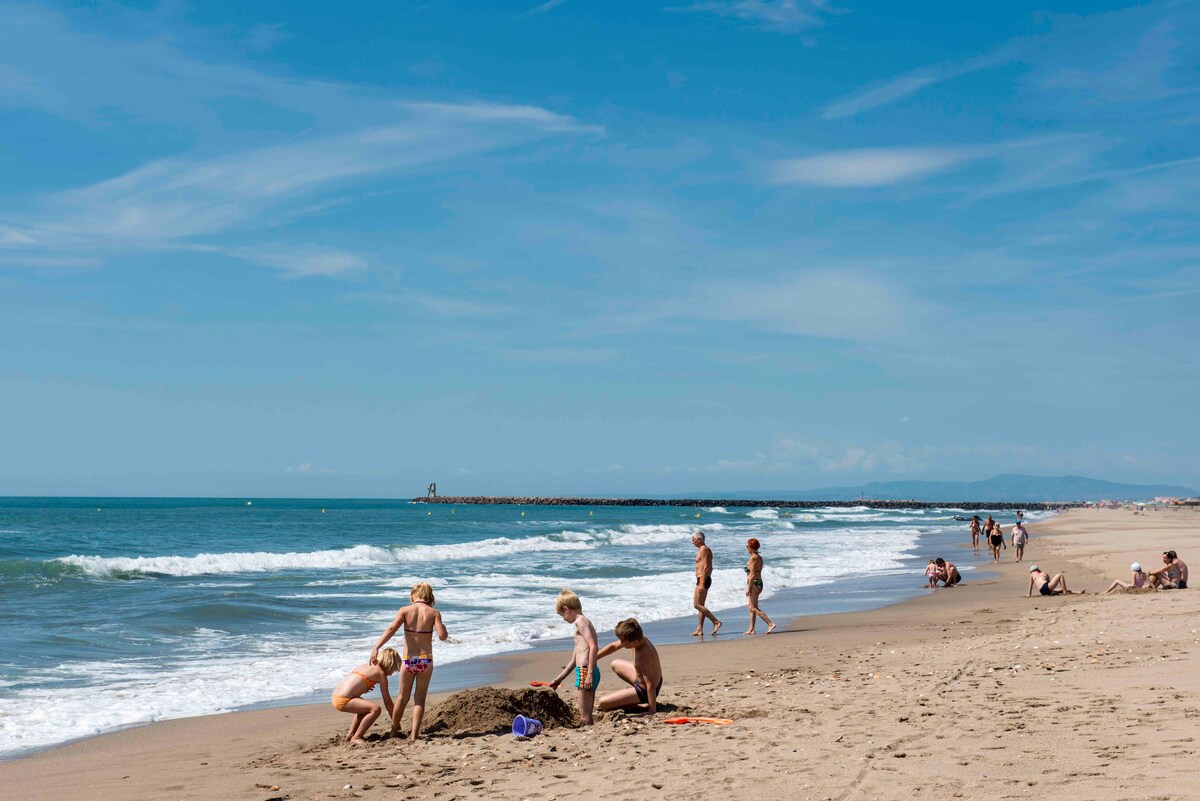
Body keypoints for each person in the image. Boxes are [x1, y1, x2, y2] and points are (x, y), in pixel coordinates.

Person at [370, 582, 449, 740]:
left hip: (408, 660)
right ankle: (414, 734)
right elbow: (442, 636)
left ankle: (393, 731)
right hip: (425, 660)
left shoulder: (405, 610)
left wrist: (376, 647)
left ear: (413, 595)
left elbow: (391, 629)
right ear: (429, 596)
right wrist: (443, 626)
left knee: (401, 697)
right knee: (419, 699)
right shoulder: (434, 613)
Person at [546, 588, 600, 725]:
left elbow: (593, 646)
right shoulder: (584, 622)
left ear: (566, 609)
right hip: (586, 670)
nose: (563, 619)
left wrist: (589, 674)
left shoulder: (580, 622)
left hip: (586, 671)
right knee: (587, 715)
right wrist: (558, 680)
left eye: (561, 615)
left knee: (585, 717)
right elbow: (573, 661)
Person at [331, 648, 400, 745]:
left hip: (335, 696)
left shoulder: (366, 666)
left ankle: (350, 735)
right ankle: (357, 736)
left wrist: (364, 686)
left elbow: (353, 682)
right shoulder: (381, 674)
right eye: (394, 669)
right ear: (390, 664)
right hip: (343, 700)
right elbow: (387, 701)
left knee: (365, 709)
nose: (392, 673)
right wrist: (395, 721)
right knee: (375, 709)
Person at [596, 618, 664, 714]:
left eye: (623, 641)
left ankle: (644, 705)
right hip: (641, 680)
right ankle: (634, 699)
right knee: (615, 664)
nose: (621, 643)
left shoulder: (642, 656)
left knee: (603, 703)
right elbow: (613, 646)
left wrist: (652, 710)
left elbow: (650, 685)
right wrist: (594, 658)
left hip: (645, 691)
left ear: (634, 642)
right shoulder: (639, 639)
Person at [690, 531, 722, 636]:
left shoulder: (704, 550)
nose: (692, 542)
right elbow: (710, 567)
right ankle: (700, 629)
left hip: (702, 579)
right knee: (701, 605)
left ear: (700, 539)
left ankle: (716, 622)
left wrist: (703, 583)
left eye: (693, 539)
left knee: (697, 604)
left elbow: (705, 567)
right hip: (704, 578)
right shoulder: (705, 550)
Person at [743, 538, 776, 635]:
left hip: (754, 583)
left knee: (753, 608)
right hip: (757, 582)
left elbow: (752, 574)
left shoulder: (753, 558)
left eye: (747, 546)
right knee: (751, 607)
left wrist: (748, 587)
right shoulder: (758, 557)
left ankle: (770, 623)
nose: (746, 547)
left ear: (751, 547)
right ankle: (751, 629)